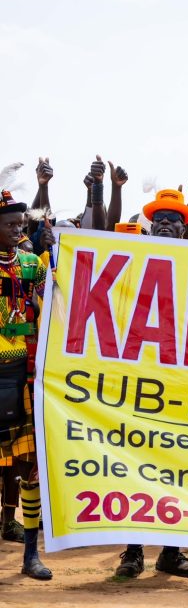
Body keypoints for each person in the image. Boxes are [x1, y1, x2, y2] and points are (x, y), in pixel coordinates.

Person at [115, 189, 188, 579]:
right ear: (152, 223)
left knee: (178, 463)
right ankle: (132, 551)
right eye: (161, 217)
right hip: (139, 372)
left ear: (186, 226)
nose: (167, 222)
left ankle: (171, 550)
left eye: (175, 217)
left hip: (183, 376)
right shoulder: (131, 254)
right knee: (135, 463)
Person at [0, 193, 53, 579]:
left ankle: (31, 555)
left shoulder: (33, 263)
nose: (19, 229)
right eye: (10, 225)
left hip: (26, 373)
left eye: (21, 223)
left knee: (30, 468)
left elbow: (52, 300)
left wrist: (58, 261)